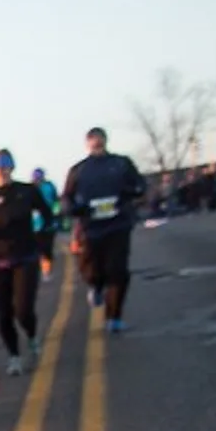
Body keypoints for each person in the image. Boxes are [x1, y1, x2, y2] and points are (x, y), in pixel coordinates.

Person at [61, 127, 147, 332]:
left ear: (106, 141)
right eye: (93, 141)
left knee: (118, 271)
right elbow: (66, 197)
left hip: (118, 225)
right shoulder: (79, 170)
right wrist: (74, 209)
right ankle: (96, 287)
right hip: (91, 228)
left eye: (100, 140)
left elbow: (139, 185)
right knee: (93, 270)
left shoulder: (121, 163)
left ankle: (114, 317)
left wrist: (128, 194)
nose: (97, 144)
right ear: (87, 144)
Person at [0, 150, 55, 374]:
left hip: (24, 257)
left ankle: (32, 337)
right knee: (3, 312)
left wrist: (43, 246)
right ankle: (14, 356)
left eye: (4, 167)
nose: (0, 172)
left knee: (23, 309)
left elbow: (48, 216)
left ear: (11, 168)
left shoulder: (26, 191)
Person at [30, 166, 62, 281]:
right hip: (32, 226)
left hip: (48, 224)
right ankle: (37, 271)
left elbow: (56, 202)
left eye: (39, 177)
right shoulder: (29, 189)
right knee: (33, 250)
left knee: (47, 249)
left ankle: (46, 271)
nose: (37, 180)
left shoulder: (49, 186)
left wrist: (56, 214)